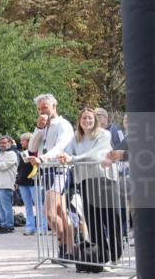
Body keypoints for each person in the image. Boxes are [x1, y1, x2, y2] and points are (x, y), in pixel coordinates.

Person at [59, 108, 121, 264]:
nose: (87, 121)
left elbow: (96, 154)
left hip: (104, 179)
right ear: (79, 121)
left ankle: (116, 255)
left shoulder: (104, 135)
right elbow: (66, 151)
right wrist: (63, 156)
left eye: (90, 118)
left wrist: (72, 159)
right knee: (93, 221)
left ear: (95, 120)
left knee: (111, 219)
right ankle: (101, 256)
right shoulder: (76, 137)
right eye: (84, 118)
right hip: (86, 181)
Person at [28, 93, 76, 257]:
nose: (42, 112)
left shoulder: (63, 124)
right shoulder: (45, 126)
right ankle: (68, 249)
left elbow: (60, 146)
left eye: (45, 108)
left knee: (49, 213)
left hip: (59, 169)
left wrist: (43, 158)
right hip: (46, 170)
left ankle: (66, 246)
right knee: (61, 212)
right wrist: (39, 128)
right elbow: (32, 146)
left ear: (54, 106)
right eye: (40, 109)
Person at [16, 133, 42, 235]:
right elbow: (20, 169)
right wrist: (17, 181)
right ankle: (30, 227)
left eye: (23, 140)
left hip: (34, 181)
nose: (21, 142)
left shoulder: (37, 152)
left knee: (39, 205)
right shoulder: (22, 152)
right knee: (28, 206)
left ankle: (42, 227)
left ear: (29, 141)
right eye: (21, 140)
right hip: (23, 182)